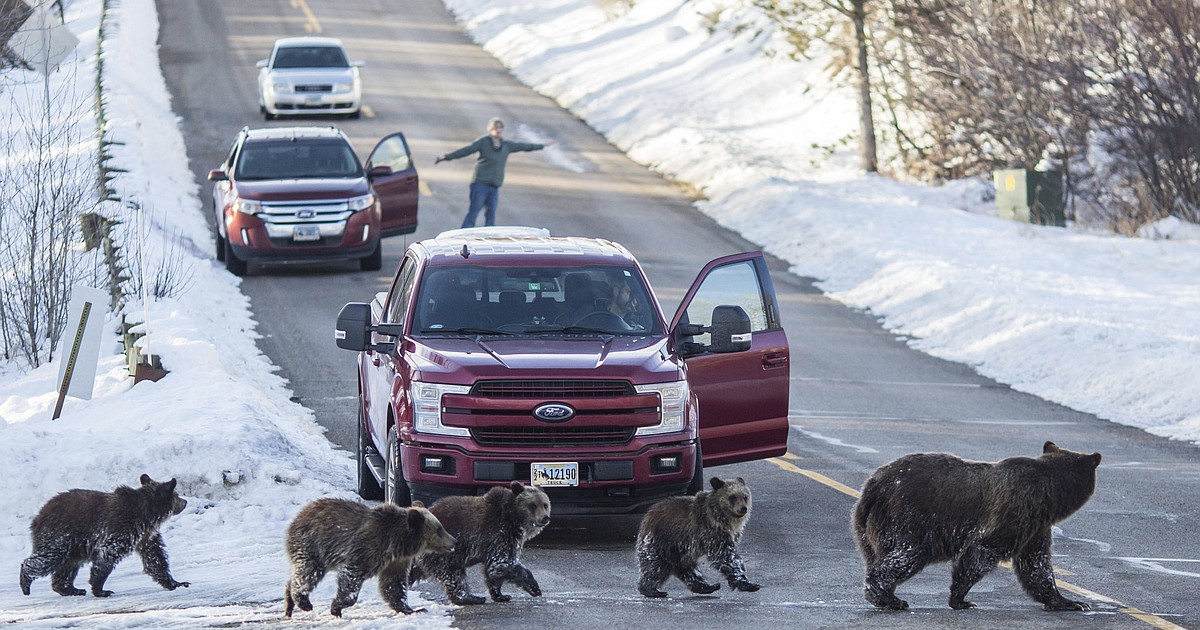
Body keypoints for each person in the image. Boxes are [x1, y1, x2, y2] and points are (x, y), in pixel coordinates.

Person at [434, 118, 554, 228]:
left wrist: (542, 146)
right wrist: (446, 157)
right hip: (480, 183)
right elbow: (466, 150)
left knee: (491, 214)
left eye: (500, 128)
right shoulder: (483, 142)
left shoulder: (506, 145)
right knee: (474, 211)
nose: (498, 130)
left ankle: (489, 239)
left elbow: (524, 146)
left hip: (494, 186)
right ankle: (463, 236)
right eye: (495, 128)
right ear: (490, 129)